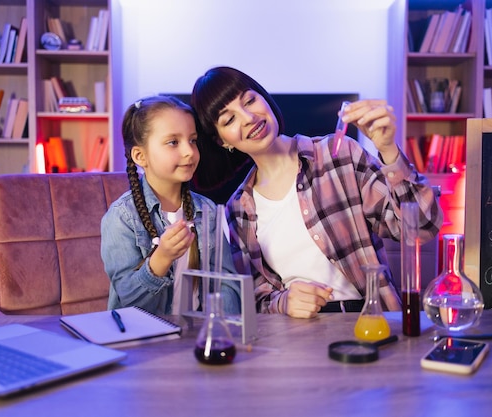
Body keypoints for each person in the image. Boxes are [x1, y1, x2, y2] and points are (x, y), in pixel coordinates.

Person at [191, 66, 443, 319]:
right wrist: (284, 302)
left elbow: (420, 228)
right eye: (229, 119)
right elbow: (256, 297)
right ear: (222, 140)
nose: (247, 117)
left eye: (249, 100)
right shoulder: (239, 209)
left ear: (264, 98)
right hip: (293, 335)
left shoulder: (339, 154)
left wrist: (388, 150)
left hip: (369, 322)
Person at [101, 95, 241, 316]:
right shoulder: (121, 218)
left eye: (193, 140)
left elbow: (227, 284)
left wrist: (223, 330)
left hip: (196, 336)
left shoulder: (208, 212)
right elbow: (129, 300)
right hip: (143, 342)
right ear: (140, 156)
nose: (189, 151)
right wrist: (162, 257)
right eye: (173, 142)